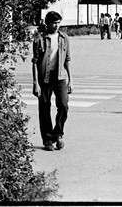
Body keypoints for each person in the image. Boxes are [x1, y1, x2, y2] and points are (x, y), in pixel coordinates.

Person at [32, 11, 72, 151]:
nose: (56, 26)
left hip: (60, 77)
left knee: (63, 105)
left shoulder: (64, 38)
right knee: (44, 108)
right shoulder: (40, 39)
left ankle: (58, 133)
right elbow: (35, 62)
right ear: (47, 23)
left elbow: (67, 60)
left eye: (58, 23)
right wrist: (35, 83)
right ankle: (48, 140)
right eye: (54, 23)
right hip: (44, 77)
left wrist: (70, 80)